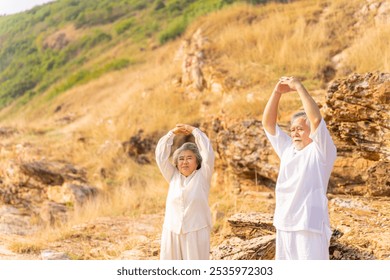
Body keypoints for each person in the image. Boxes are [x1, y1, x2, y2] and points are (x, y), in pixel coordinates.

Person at [262, 76, 337, 260]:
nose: (295, 132)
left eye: (300, 129)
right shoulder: (288, 149)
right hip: (284, 223)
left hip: (309, 225)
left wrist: (299, 87)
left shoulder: (321, 151)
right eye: (293, 129)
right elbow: (268, 124)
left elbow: (316, 119)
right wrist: (276, 93)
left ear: (311, 133)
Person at [155, 123, 215, 260]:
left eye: (189, 158)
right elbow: (160, 157)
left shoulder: (203, 176)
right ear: (176, 163)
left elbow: (208, 152)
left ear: (197, 162)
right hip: (172, 231)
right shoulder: (173, 176)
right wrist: (171, 134)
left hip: (196, 232)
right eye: (181, 159)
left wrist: (194, 131)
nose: (184, 162)